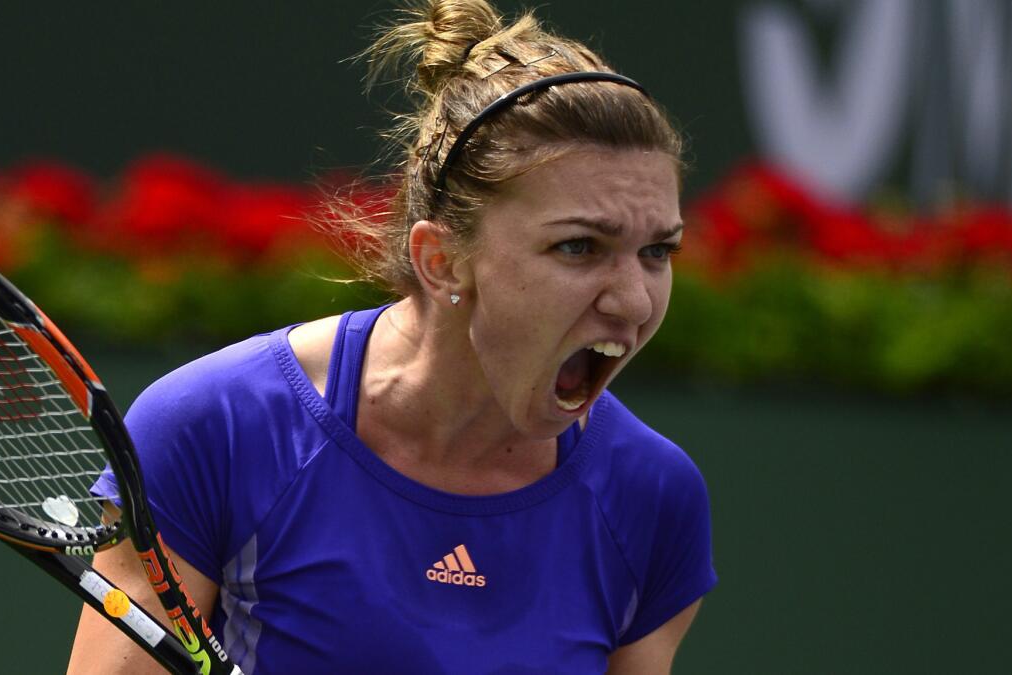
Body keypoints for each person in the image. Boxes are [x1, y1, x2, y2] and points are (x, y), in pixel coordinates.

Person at [68, 0, 715, 672]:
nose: (635, 301)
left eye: (657, 251)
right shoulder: (215, 428)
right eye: (579, 247)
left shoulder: (652, 498)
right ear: (441, 262)